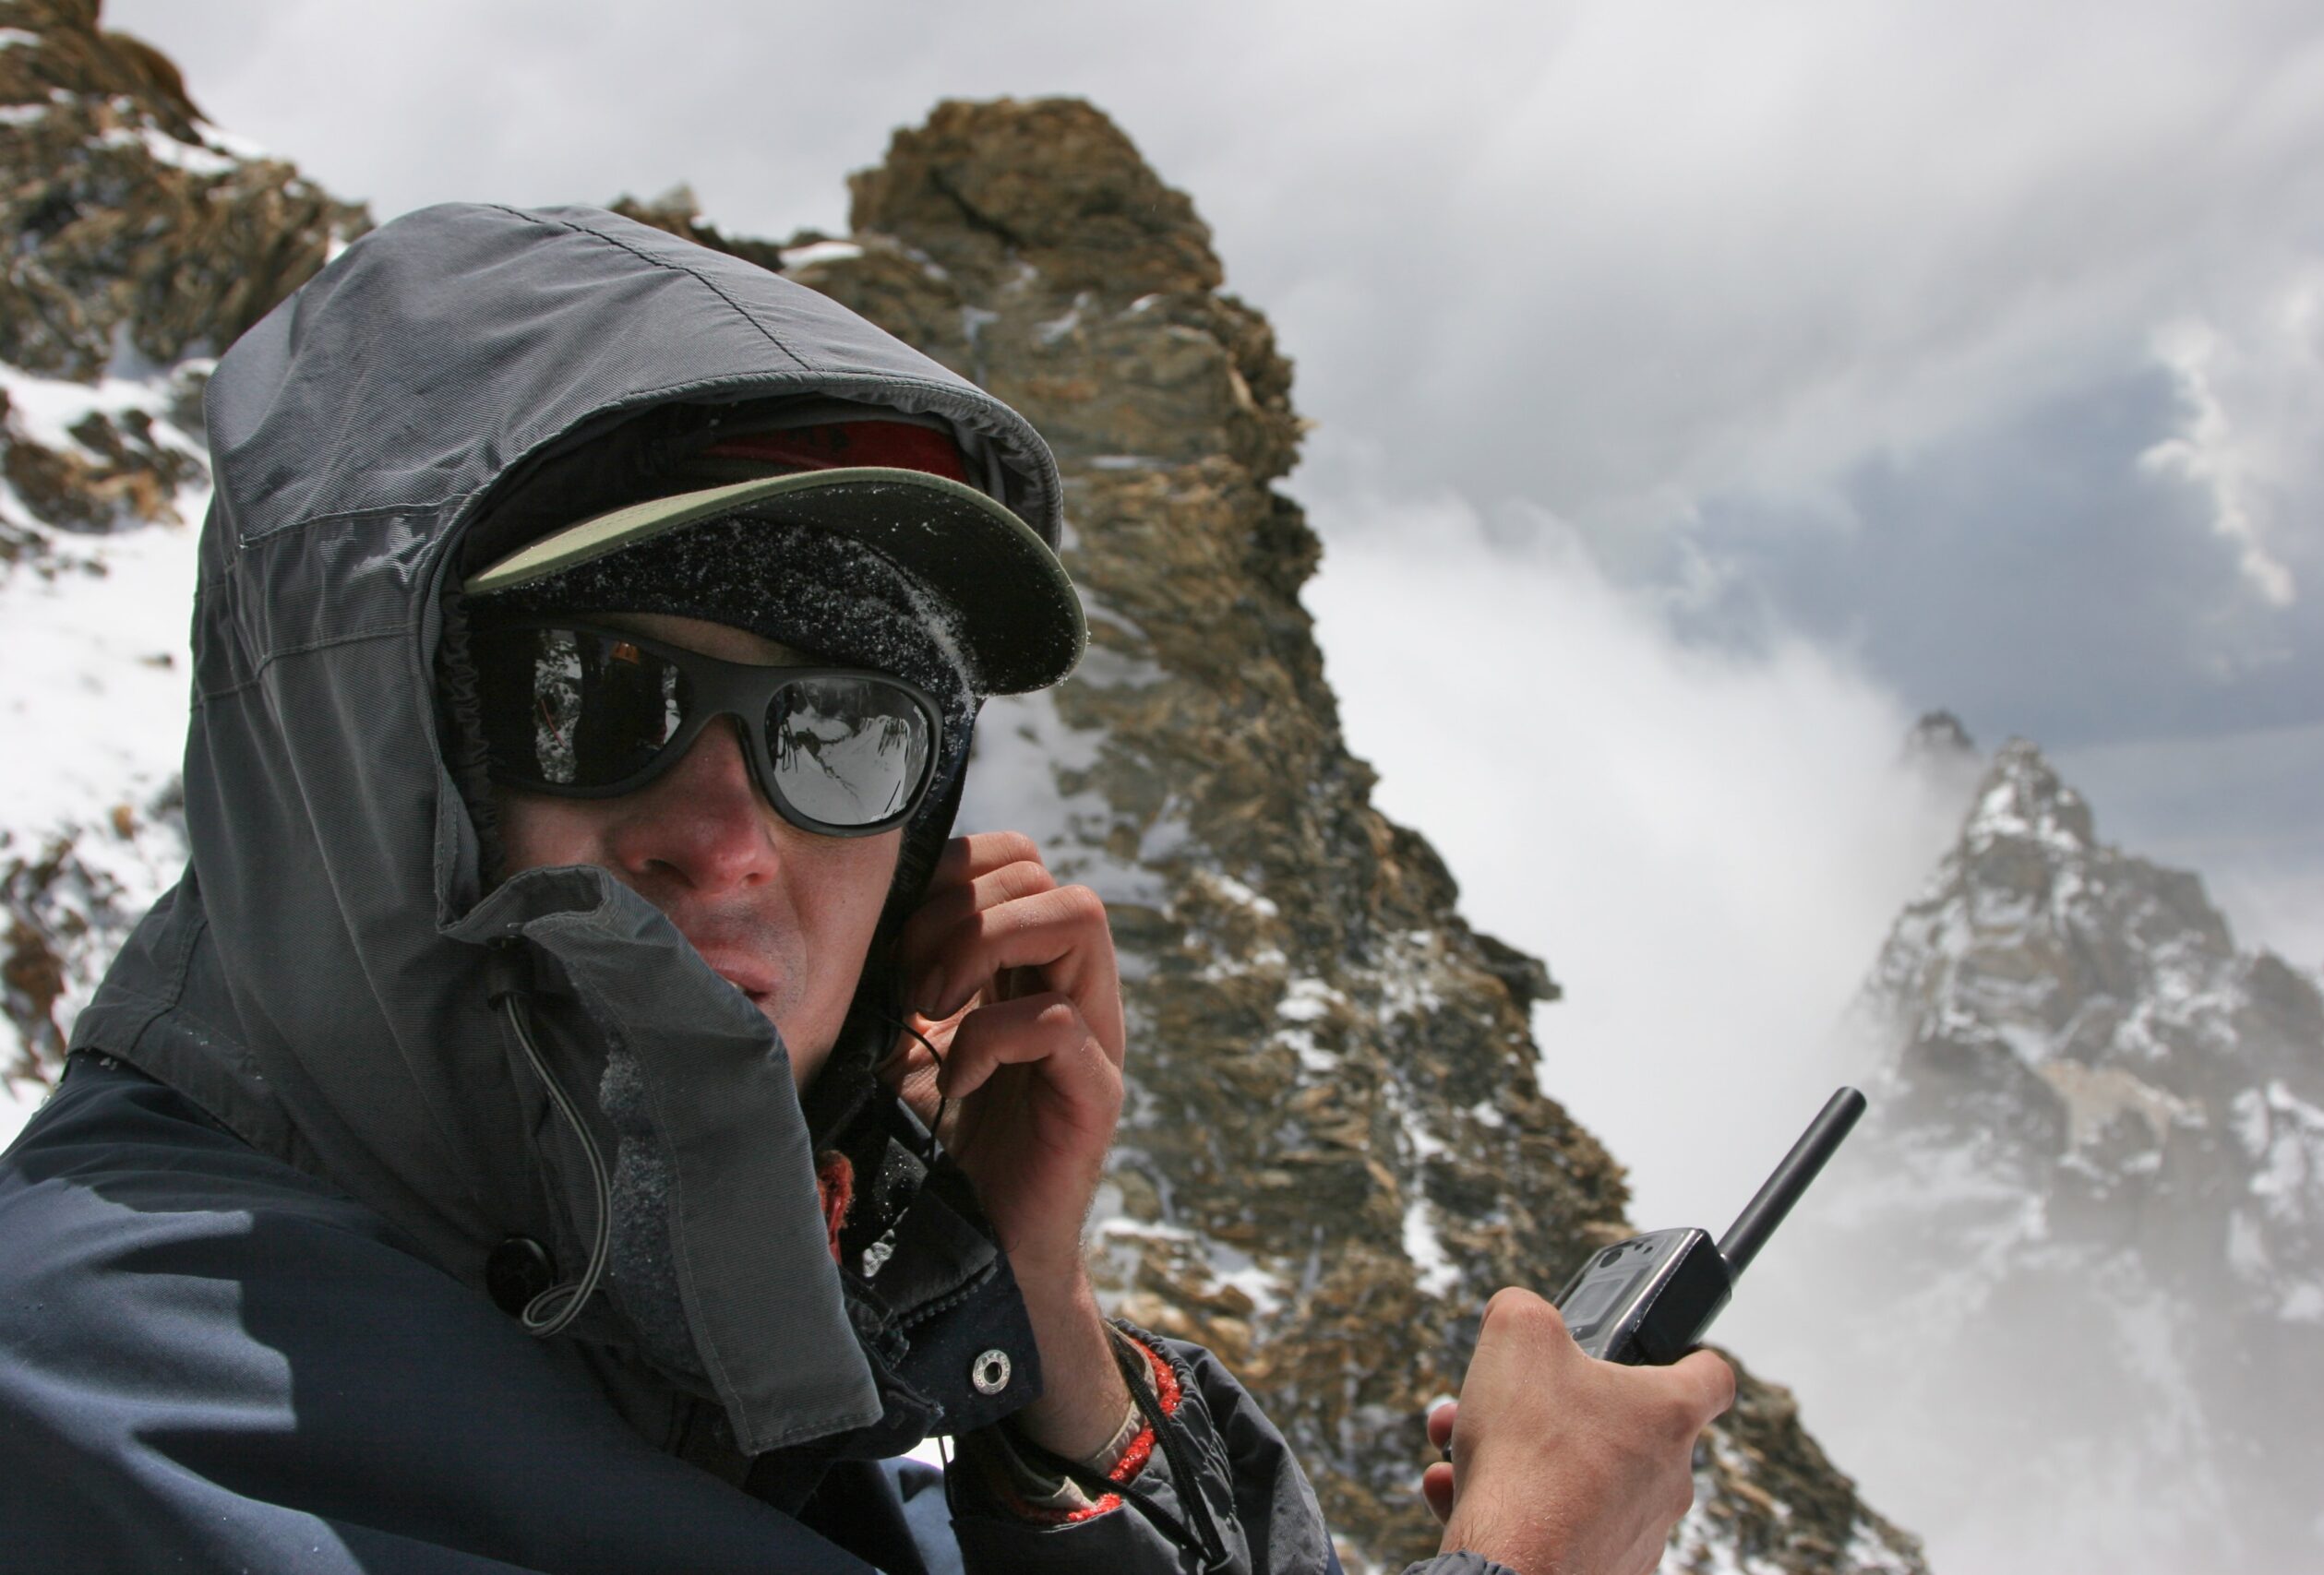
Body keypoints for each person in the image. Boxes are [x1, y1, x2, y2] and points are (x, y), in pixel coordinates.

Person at [0, 203, 1730, 1573]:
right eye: (595, 699)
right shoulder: (116, 1397)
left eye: (837, 732)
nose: (733, 837)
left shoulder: (691, 1360)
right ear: (366, 759)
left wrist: (1041, 1338)